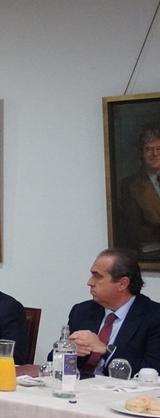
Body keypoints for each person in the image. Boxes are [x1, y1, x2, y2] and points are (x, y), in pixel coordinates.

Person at [65, 248, 160, 378]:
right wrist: (69, 350)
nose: (90, 282)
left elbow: (152, 371)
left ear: (122, 284)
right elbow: (52, 360)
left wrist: (105, 350)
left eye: (97, 276)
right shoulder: (82, 311)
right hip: (80, 389)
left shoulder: (154, 317)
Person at [117, 126, 160, 259]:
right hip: (151, 253)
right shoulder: (130, 185)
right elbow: (134, 229)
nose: (155, 154)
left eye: (159, 149)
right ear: (141, 153)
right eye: (148, 149)